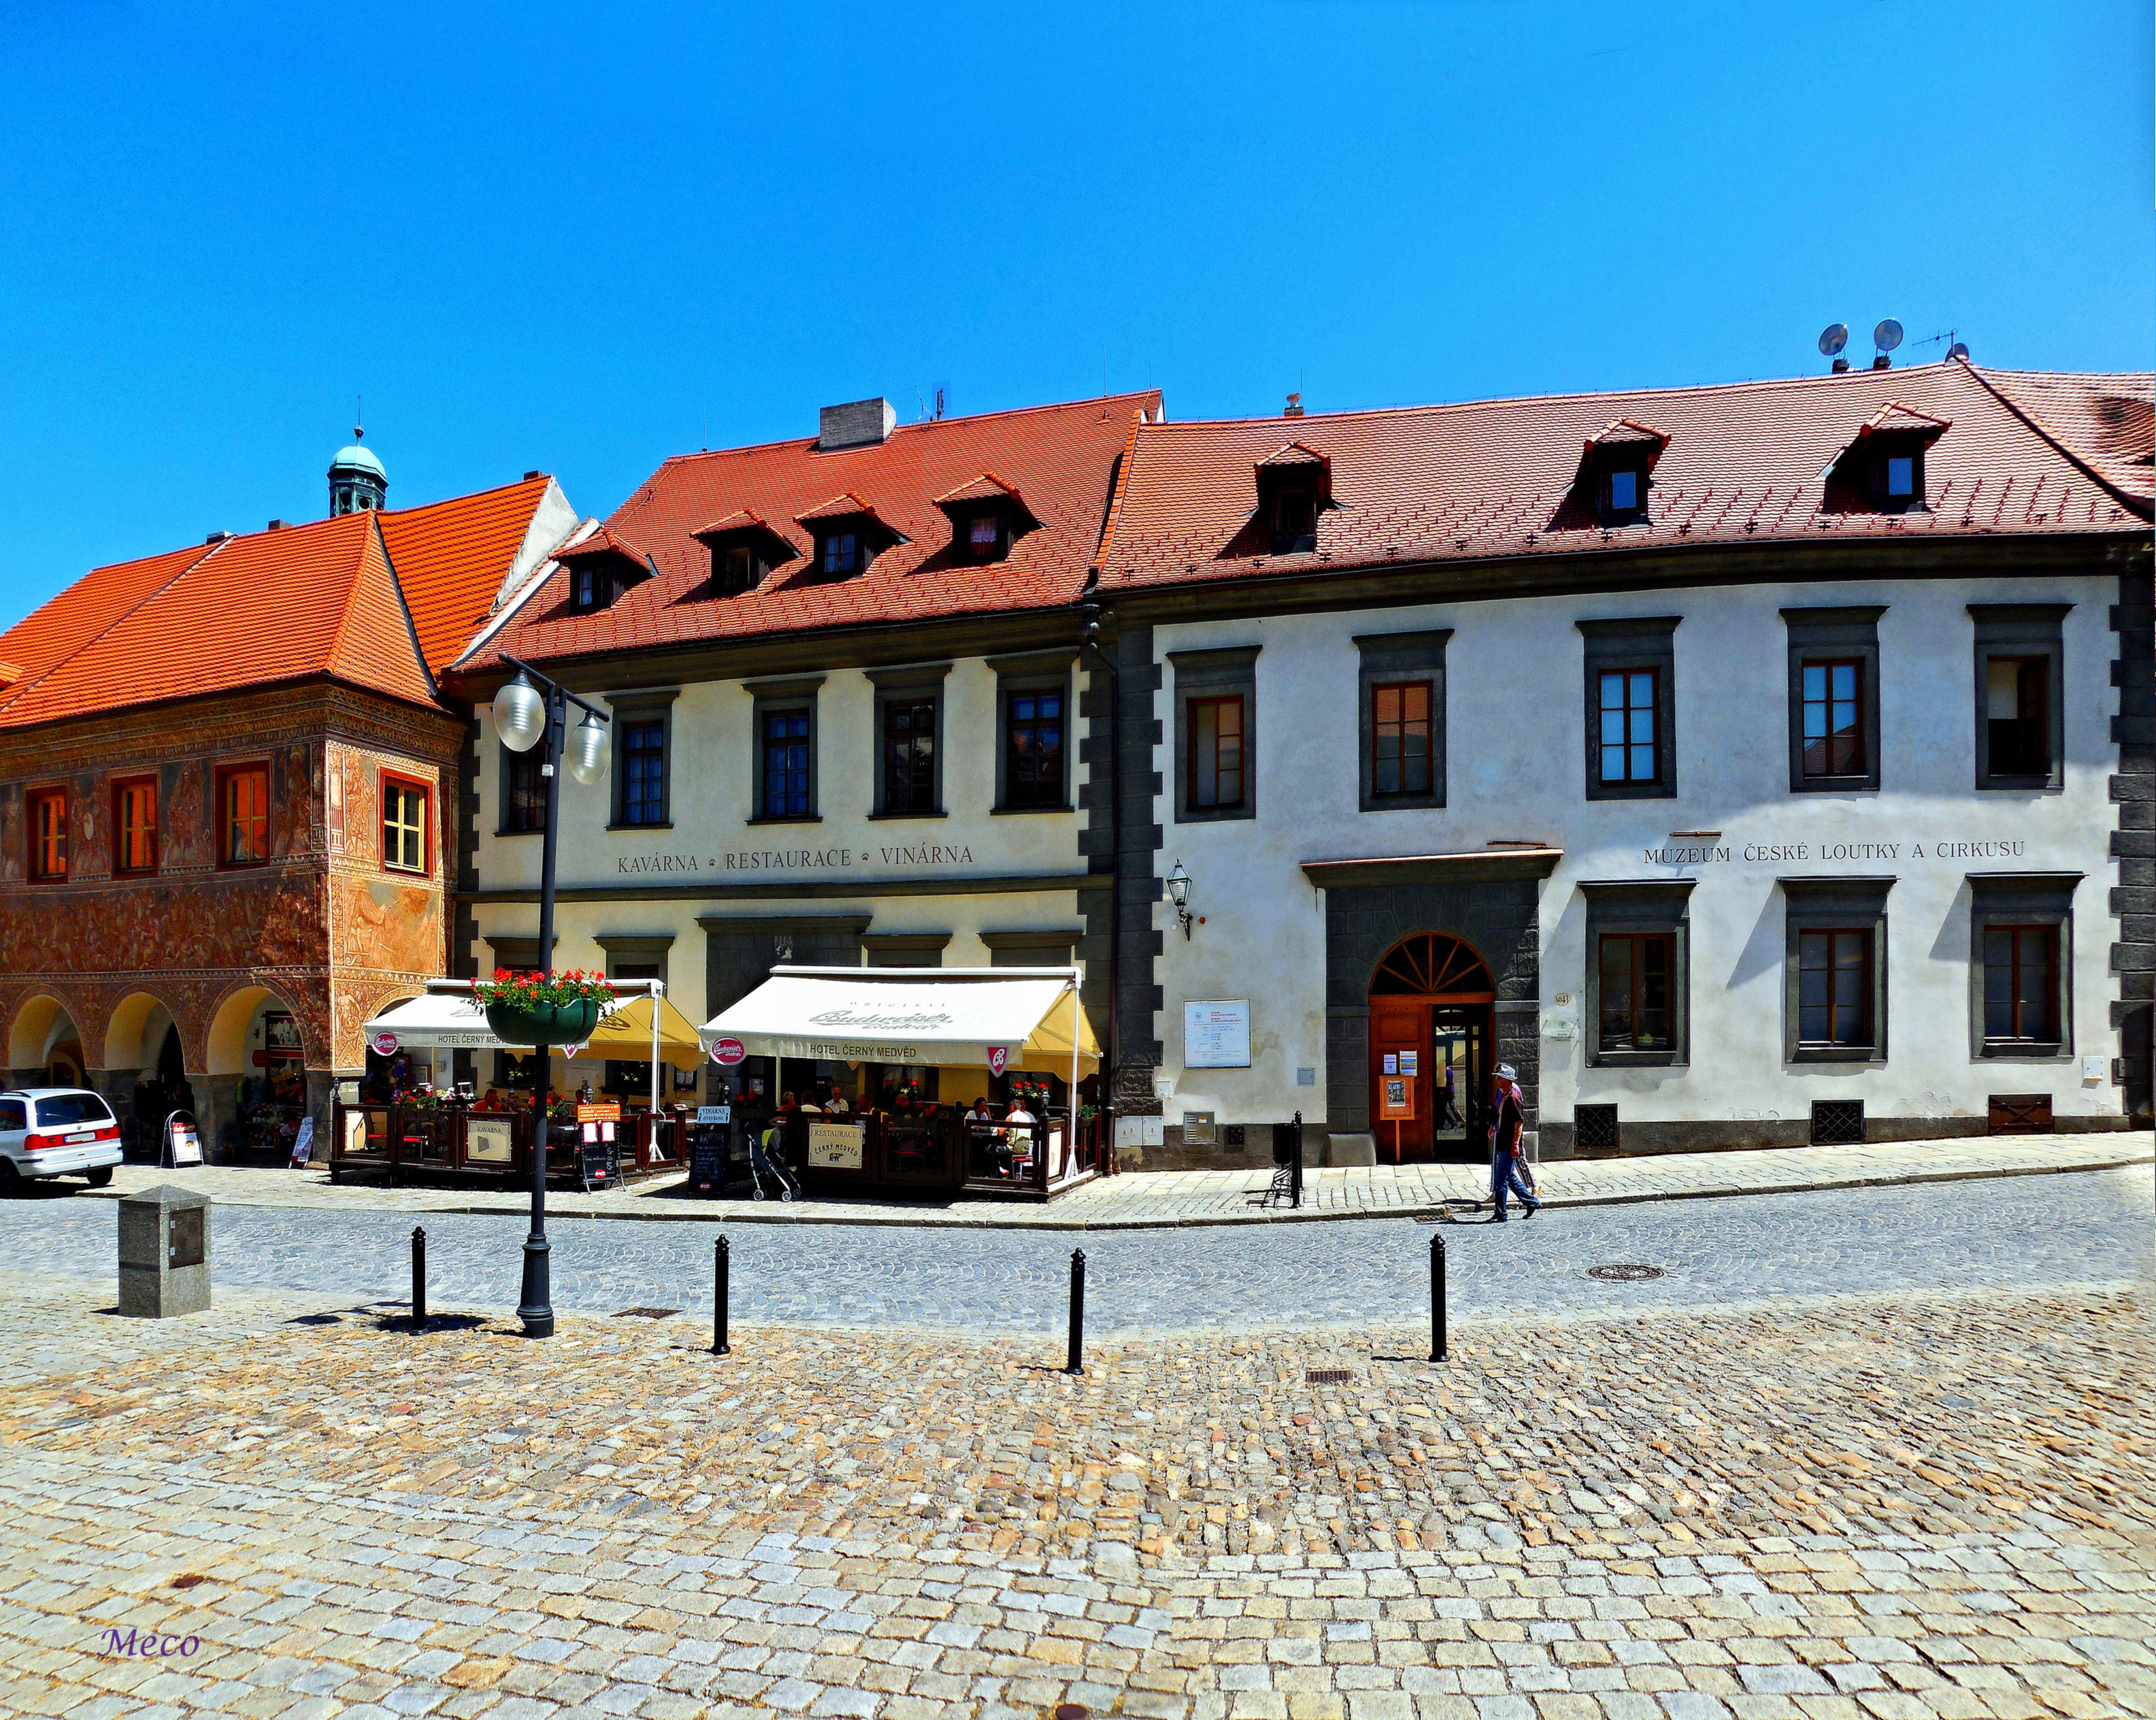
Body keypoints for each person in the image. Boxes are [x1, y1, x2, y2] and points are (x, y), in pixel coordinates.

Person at [1489, 1064, 1540, 1221]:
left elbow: (1519, 1122)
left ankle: (1501, 1213)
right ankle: (1532, 1202)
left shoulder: (1513, 1098)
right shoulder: (1503, 1095)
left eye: (1499, 1078)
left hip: (1509, 1144)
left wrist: (1516, 1143)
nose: (1497, 1080)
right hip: (1503, 1141)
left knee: (1500, 1181)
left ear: (1507, 1080)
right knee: (1509, 1177)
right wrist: (1493, 1126)